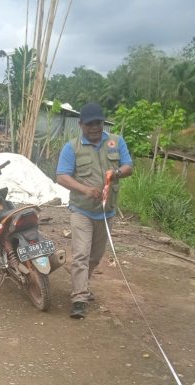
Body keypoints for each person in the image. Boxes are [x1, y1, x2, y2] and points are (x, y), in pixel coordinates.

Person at [56, 103, 133, 320]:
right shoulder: (72, 147)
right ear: (81, 125)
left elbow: (129, 166)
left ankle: (83, 284)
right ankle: (79, 298)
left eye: (98, 123)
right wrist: (85, 189)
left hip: (107, 212)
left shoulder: (116, 142)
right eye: (90, 124)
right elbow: (61, 176)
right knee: (81, 253)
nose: (95, 128)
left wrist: (117, 173)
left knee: (95, 256)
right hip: (82, 210)